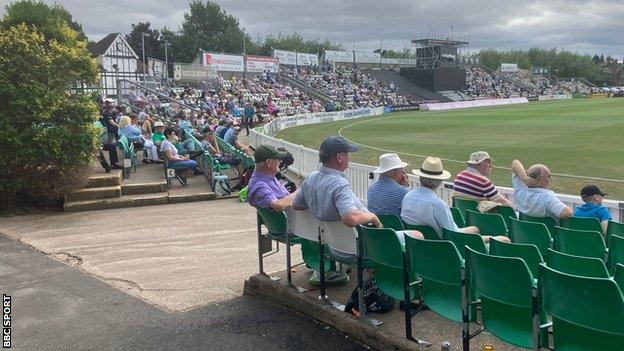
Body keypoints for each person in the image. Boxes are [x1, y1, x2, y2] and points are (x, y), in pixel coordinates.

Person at [401, 157, 508, 242]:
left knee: (474, 229)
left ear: (420, 177)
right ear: (439, 181)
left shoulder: (407, 197)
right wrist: (490, 238)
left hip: (417, 245)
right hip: (441, 246)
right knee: (502, 239)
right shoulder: (438, 204)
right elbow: (454, 235)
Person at [293, 136, 380, 228]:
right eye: (347, 154)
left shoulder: (311, 177)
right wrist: (372, 216)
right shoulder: (339, 184)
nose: (349, 157)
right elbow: (350, 218)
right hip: (351, 239)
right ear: (339, 157)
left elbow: (296, 204)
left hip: (323, 238)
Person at [248, 145, 297, 211]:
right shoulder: (259, 185)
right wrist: (299, 192)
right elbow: (278, 205)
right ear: (268, 162)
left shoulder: (268, 176)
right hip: (288, 219)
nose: (280, 162)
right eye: (278, 159)